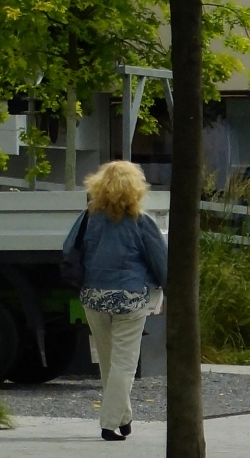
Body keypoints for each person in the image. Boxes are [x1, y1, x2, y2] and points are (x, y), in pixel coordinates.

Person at [63, 161, 170, 441]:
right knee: (125, 362)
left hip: (93, 296)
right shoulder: (141, 222)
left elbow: (68, 248)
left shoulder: (88, 217)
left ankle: (124, 419)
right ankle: (109, 423)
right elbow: (161, 262)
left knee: (108, 360)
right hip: (130, 298)